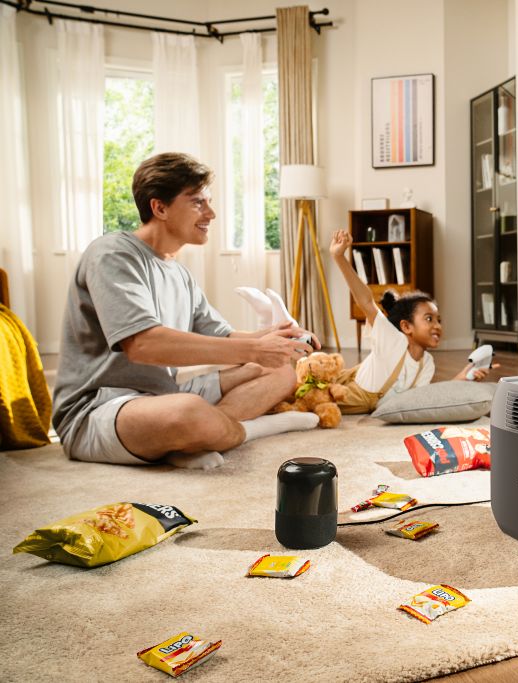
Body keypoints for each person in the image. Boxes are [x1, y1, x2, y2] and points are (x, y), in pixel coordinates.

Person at [52, 153, 320, 468]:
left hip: (162, 394)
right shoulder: (112, 255)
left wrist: (278, 338)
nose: (212, 213)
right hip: (99, 408)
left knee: (282, 373)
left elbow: (224, 338)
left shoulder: (179, 273)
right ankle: (245, 430)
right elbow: (143, 345)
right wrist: (255, 348)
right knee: (187, 412)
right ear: (160, 207)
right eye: (197, 203)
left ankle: (193, 440)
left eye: (209, 202)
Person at [328, 228, 492, 414]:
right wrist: (339, 257)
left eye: (439, 320)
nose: (437, 326)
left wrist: (463, 378)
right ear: (406, 326)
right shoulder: (392, 339)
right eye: (429, 319)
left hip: (374, 407)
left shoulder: (427, 363)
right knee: (307, 401)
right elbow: (365, 301)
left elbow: (424, 397)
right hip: (351, 393)